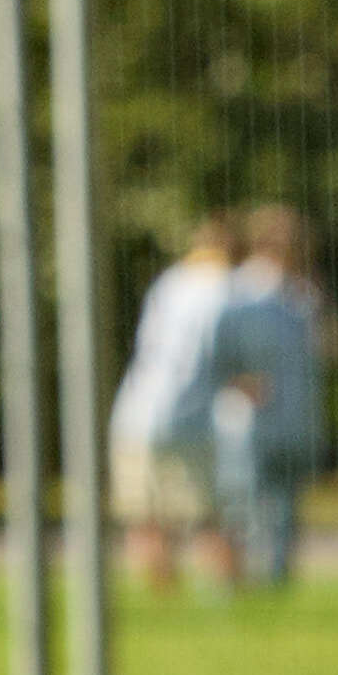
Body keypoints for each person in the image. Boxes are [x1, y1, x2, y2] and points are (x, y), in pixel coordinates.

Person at [113, 216, 242, 592]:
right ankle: (224, 595)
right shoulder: (228, 289)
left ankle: (162, 593)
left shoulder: (169, 283)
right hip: (192, 419)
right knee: (207, 516)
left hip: (136, 411)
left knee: (145, 517)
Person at [213, 205, 330, 594]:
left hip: (295, 418)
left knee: (285, 510)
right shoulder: (240, 287)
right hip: (247, 421)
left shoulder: (302, 292)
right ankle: (233, 586)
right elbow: (215, 351)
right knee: (240, 505)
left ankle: (275, 584)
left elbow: (332, 345)